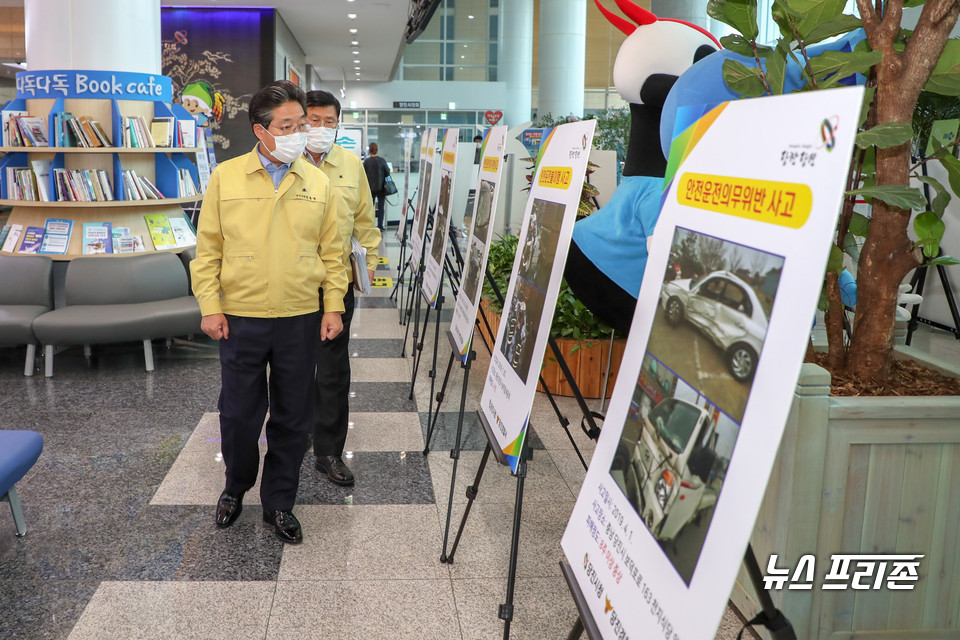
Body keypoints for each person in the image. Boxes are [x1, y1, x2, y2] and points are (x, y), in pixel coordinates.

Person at [191, 80, 347, 545]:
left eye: (302, 124)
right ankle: (235, 487)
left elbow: (334, 254)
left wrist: (333, 306)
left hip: (300, 315)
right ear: (262, 131)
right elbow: (208, 250)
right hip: (240, 316)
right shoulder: (227, 177)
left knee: (293, 416)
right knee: (238, 413)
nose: (300, 133)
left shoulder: (317, 181)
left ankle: (279, 502)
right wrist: (210, 306)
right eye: (288, 126)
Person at [303, 90, 382, 486]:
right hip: (290, 284)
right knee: (290, 365)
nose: (320, 129)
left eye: (328, 122)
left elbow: (366, 222)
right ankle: (295, 434)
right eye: (312, 120)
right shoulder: (283, 162)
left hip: (336, 283)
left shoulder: (351, 165)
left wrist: (366, 266)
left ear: (338, 124)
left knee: (332, 368)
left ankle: (329, 451)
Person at [362, 142, 390, 229]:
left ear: (369, 150)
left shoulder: (366, 162)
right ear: (377, 150)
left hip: (370, 188)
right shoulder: (382, 160)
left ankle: (370, 225)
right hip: (381, 187)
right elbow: (387, 172)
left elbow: (363, 174)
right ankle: (380, 226)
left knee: (370, 207)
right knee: (381, 207)